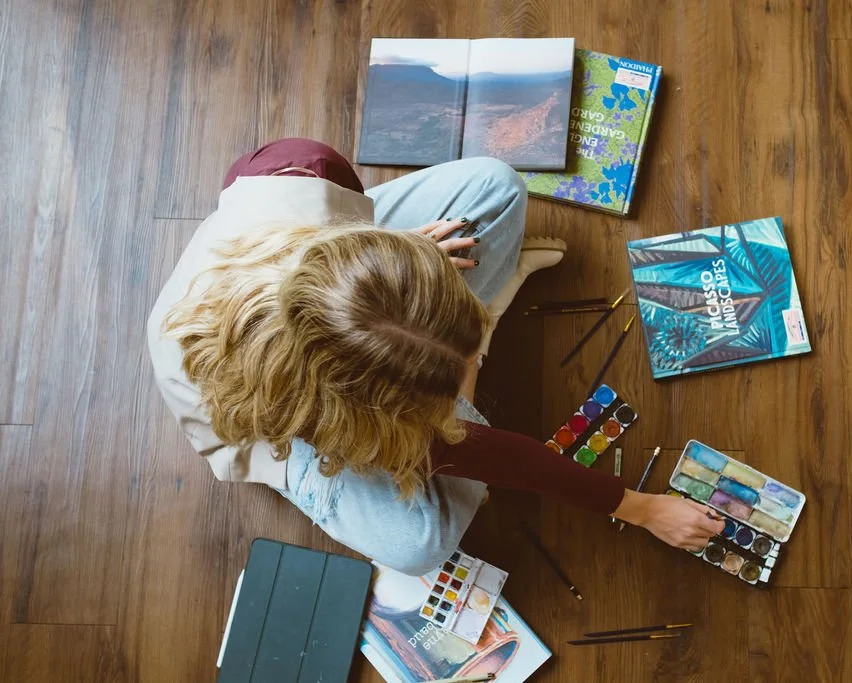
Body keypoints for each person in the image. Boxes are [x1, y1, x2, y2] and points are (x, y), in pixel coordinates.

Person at [147, 138, 725, 575]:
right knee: (419, 546)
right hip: (280, 424)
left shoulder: (300, 167)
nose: (471, 361)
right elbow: (501, 459)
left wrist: (393, 264)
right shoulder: (341, 421)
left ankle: (419, 317)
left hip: (332, 284)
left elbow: (320, 235)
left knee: (496, 187)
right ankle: (447, 343)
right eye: (461, 367)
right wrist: (640, 508)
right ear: (382, 406)